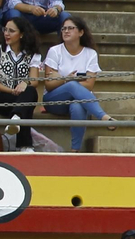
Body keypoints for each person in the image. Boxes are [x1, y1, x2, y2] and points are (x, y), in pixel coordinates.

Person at [41, 15, 113, 151]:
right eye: (64, 29)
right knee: (73, 84)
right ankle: (102, 116)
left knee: (77, 106)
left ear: (81, 32)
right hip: (55, 101)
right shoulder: (55, 51)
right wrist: (67, 80)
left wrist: (61, 79)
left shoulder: (90, 54)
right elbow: (49, 85)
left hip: (80, 100)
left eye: (70, 28)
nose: (66, 31)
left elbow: (89, 85)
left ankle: (75, 150)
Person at [0, 14, 37, 150]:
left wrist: (25, 83)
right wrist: (11, 91)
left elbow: (34, 80)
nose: (7, 34)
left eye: (11, 31)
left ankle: (16, 118)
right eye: (5, 30)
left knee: (31, 91)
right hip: (1, 97)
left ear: (21, 35)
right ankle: (25, 146)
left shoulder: (32, 54)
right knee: (26, 104)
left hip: (22, 96)